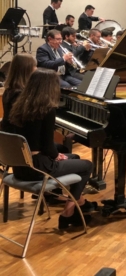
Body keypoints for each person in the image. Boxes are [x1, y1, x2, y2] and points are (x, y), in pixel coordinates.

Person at [8, 69, 95, 229]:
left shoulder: (20, 106)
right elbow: (48, 146)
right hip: (38, 167)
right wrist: (56, 156)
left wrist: (56, 155)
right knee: (87, 165)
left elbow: (36, 142)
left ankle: (79, 203)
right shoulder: (46, 109)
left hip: (20, 167)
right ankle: (68, 212)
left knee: (74, 158)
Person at [1, 54, 37, 133]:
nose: (36, 69)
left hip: (9, 135)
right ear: (26, 69)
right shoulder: (20, 94)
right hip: (18, 139)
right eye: (34, 66)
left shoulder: (9, 90)